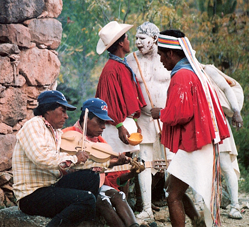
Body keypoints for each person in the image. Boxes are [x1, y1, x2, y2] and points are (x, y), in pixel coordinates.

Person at [150, 30, 230, 227]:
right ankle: (198, 222)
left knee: (173, 196)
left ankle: (197, 223)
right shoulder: (193, 71)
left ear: (170, 54)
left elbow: (181, 114)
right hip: (200, 141)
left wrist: (160, 113)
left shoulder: (182, 75)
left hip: (195, 144)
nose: (160, 60)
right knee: (173, 188)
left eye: (161, 54)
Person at [12, 90, 126, 227]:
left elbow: (76, 164)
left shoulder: (57, 133)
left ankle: (84, 221)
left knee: (92, 176)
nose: (66, 116)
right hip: (31, 195)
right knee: (87, 199)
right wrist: (75, 158)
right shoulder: (34, 125)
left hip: (50, 188)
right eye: (63, 111)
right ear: (48, 109)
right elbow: (41, 157)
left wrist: (110, 162)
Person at [62, 98, 151, 227]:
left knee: (119, 195)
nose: (103, 126)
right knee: (102, 201)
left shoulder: (101, 142)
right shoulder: (67, 135)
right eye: (100, 122)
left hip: (97, 185)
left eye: (104, 122)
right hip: (73, 187)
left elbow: (111, 178)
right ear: (87, 118)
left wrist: (130, 172)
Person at [126, 22, 171, 220]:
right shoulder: (130, 60)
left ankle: (173, 205)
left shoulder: (168, 57)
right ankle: (146, 209)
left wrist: (168, 111)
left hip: (169, 117)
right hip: (143, 118)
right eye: (135, 38)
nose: (137, 42)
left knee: (172, 162)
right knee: (143, 162)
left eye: (142, 38)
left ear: (154, 39)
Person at [193, 64, 244, 219]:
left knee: (226, 165)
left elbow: (227, 88)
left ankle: (234, 205)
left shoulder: (206, 69)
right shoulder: (182, 72)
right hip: (198, 123)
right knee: (199, 165)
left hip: (217, 121)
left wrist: (236, 111)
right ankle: (198, 204)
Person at [95, 21, 147, 154]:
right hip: (117, 127)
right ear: (121, 43)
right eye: (127, 39)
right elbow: (108, 101)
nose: (130, 42)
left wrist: (135, 122)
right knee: (118, 168)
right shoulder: (111, 69)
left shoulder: (122, 66)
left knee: (129, 167)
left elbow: (129, 97)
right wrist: (119, 126)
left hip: (125, 124)